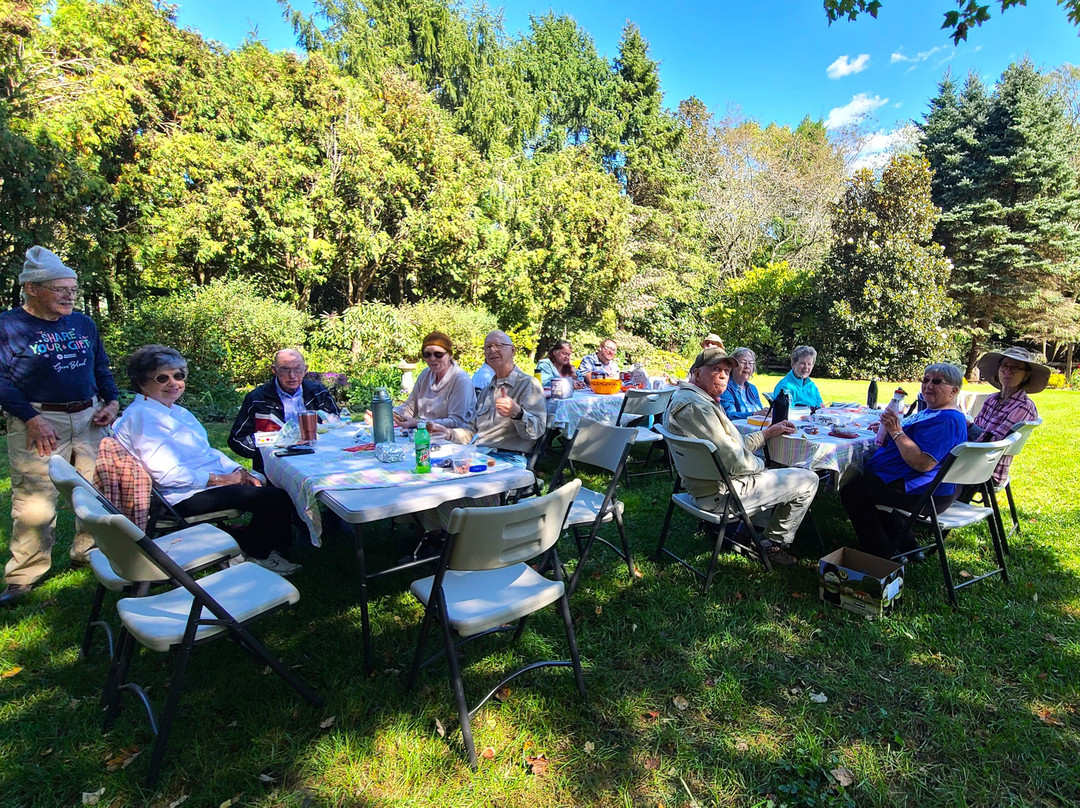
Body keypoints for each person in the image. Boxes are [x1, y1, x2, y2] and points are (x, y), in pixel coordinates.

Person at [114, 345, 302, 575]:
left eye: (178, 376)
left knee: (266, 481)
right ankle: (257, 553)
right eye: (162, 378)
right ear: (142, 383)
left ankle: (262, 543)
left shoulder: (174, 411)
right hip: (178, 495)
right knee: (275, 496)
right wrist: (223, 480)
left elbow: (207, 452)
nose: (173, 383)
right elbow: (167, 475)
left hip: (194, 484)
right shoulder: (144, 417)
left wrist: (239, 471)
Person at [0, 247, 120, 606]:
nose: (70, 295)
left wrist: (111, 401)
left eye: (73, 288)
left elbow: (100, 366)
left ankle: (87, 551)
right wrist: (30, 417)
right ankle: (23, 577)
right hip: (37, 419)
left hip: (89, 417)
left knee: (93, 490)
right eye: (60, 288)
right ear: (32, 289)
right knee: (35, 500)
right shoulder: (8, 326)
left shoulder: (83, 323)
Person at [663, 347, 819, 568]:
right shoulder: (698, 409)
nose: (723, 375)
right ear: (697, 373)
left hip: (702, 486)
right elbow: (735, 461)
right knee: (808, 479)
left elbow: (730, 447)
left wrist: (767, 434)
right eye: (716, 369)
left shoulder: (686, 398)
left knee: (770, 469)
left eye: (726, 371)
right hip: (720, 495)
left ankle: (744, 535)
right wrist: (765, 466)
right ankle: (772, 544)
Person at [840, 363, 969, 561]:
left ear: (954, 390)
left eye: (936, 382)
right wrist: (889, 429)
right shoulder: (934, 411)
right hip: (917, 484)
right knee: (869, 486)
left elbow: (922, 463)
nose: (928, 386)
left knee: (853, 490)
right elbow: (912, 436)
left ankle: (881, 553)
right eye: (925, 380)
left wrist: (895, 431)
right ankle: (908, 546)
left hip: (927, 491)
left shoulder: (948, 420)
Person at [429, 331, 546, 467]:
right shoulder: (487, 390)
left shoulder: (528, 384)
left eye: (498, 345)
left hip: (509, 458)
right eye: (488, 347)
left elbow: (536, 432)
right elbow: (472, 432)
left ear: (512, 351)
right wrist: (448, 433)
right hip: (480, 455)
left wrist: (517, 413)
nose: (492, 350)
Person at [228, 348, 339, 471]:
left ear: (305, 370)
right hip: (276, 465)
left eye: (298, 369)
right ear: (274, 370)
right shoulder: (257, 398)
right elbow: (237, 440)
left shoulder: (318, 392)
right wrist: (265, 453)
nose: (292, 376)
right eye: (285, 370)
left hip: (320, 460)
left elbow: (338, 425)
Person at [971, 346, 1047, 486]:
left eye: (1015, 368)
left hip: (987, 470)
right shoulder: (992, 399)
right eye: (1004, 366)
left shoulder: (1023, 406)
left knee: (929, 469)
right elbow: (977, 429)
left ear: (1026, 375)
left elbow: (994, 443)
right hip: (971, 460)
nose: (1008, 371)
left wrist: (968, 426)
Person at [390, 331, 474, 429]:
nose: (432, 359)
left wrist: (418, 423)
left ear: (449, 355)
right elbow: (410, 407)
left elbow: (456, 422)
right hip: (425, 433)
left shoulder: (461, 380)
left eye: (438, 354)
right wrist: (388, 416)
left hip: (452, 439)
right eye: (427, 354)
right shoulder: (425, 374)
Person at [719, 347, 767, 419]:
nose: (747, 366)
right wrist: (755, 414)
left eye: (751, 363)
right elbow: (730, 415)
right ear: (733, 366)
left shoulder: (752, 388)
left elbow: (760, 410)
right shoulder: (725, 387)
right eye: (743, 362)